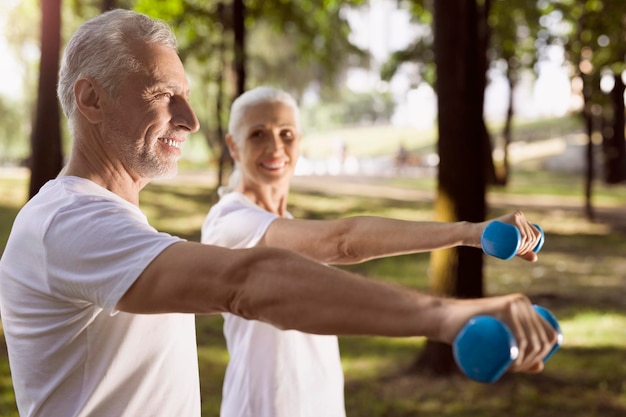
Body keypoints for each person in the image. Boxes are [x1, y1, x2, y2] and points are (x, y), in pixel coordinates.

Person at [0, 10, 557, 417]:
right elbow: (251, 278)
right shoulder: (67, 224)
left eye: (187, 96)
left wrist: (471, 234)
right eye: (163, 94)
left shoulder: (117, 226)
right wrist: (447, 316)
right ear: (92, 100)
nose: (190, 120)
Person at [202, 86, 548, 417]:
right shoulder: (230, 221)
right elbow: (342, 241)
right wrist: (471, 232)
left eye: (286, 134)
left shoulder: (284, 224)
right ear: (233, 146)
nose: (275, 147)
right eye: (258, 134)